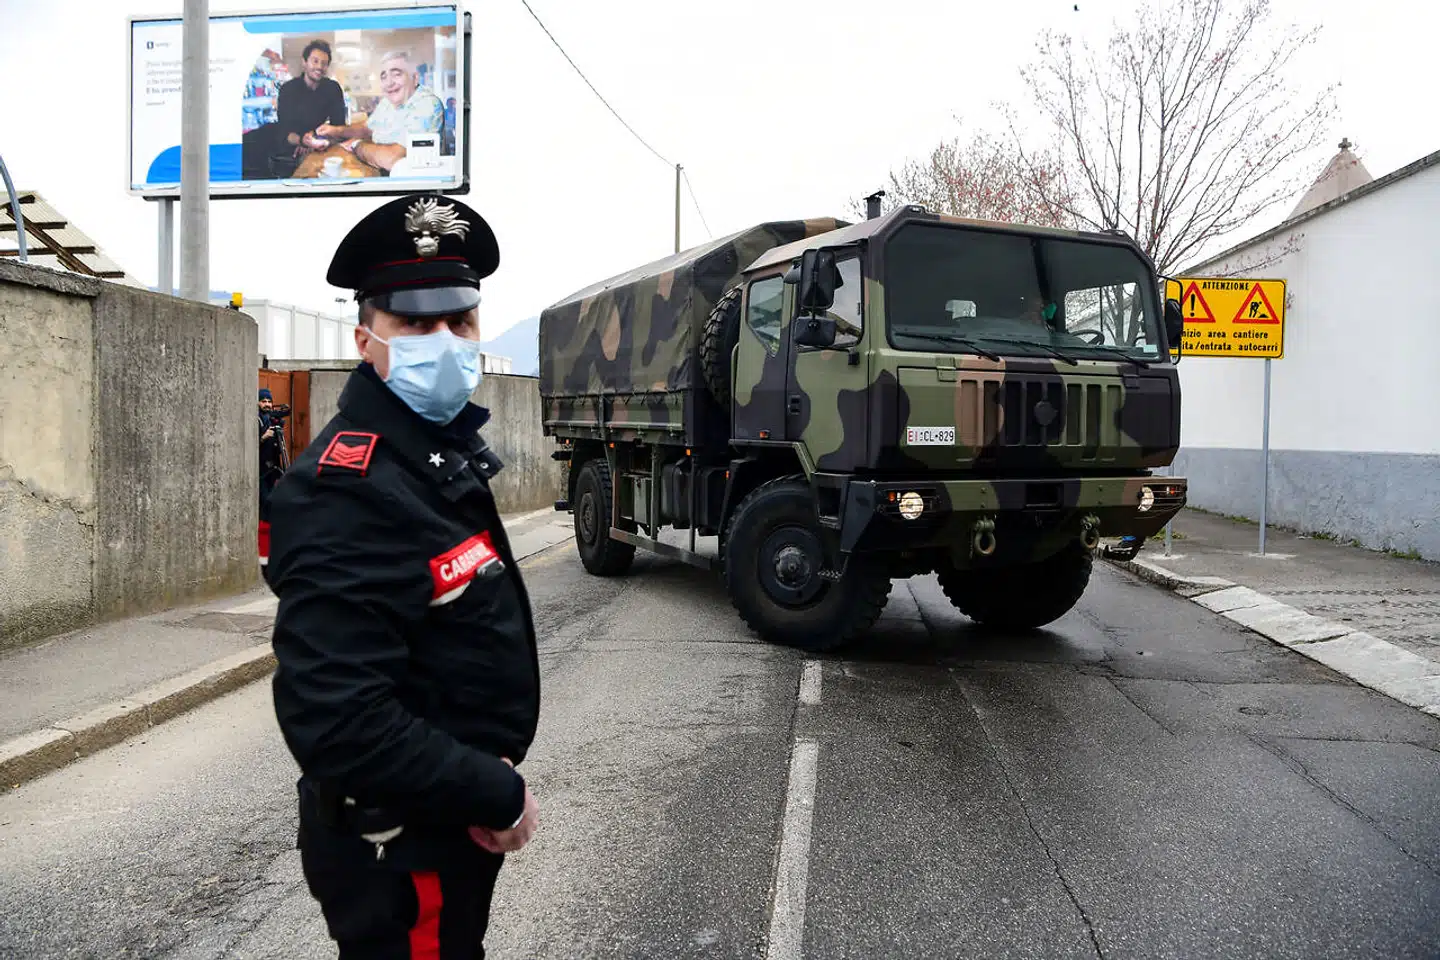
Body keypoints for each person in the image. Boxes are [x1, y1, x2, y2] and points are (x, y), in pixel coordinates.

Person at [264, 193, 540, 958]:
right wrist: (498, 791)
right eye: (415, 324)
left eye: (460, 322)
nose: (444, 341)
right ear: (366, 339)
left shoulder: (427, 455)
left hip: (443, 821)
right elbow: (340, 723)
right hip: (400, 842)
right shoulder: (346, 486)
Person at [317, 50, 444, 173]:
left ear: (415, 78)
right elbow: (367, 128)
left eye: (396, 74)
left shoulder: (427, 104)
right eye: (384, 77)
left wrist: (356, 145)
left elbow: (392, 159)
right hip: (377, 173)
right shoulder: (387, 102)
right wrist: (336, 130)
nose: (389, 83)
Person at [276, 40, 349, 157]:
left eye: (324, 63)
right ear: (304, 62)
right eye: (315, 61)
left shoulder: (333, 88)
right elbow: (284, 130)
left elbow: (339, 126)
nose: (319, 67)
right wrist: (302, 141)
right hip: (290, 150)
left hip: (319, 145)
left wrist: (321, 140)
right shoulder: (288, 89)